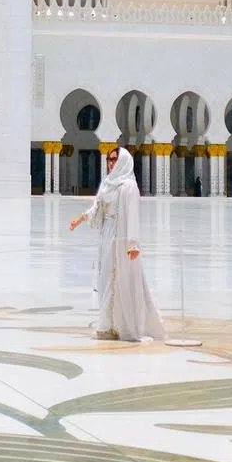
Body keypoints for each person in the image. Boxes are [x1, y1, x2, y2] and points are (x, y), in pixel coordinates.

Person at [69, 146, 165, 343]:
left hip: (122, 239)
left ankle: (126, 326)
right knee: (105, 280)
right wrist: (80, 218)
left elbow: (132, 215)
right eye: (109, 159)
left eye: (114, 159)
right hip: (107, 235)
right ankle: (107, 325)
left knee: (123, 281)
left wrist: (133, 243)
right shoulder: (107, 183)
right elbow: (98, 207)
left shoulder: (128, 186)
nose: (111, 163)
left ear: (123, 161)